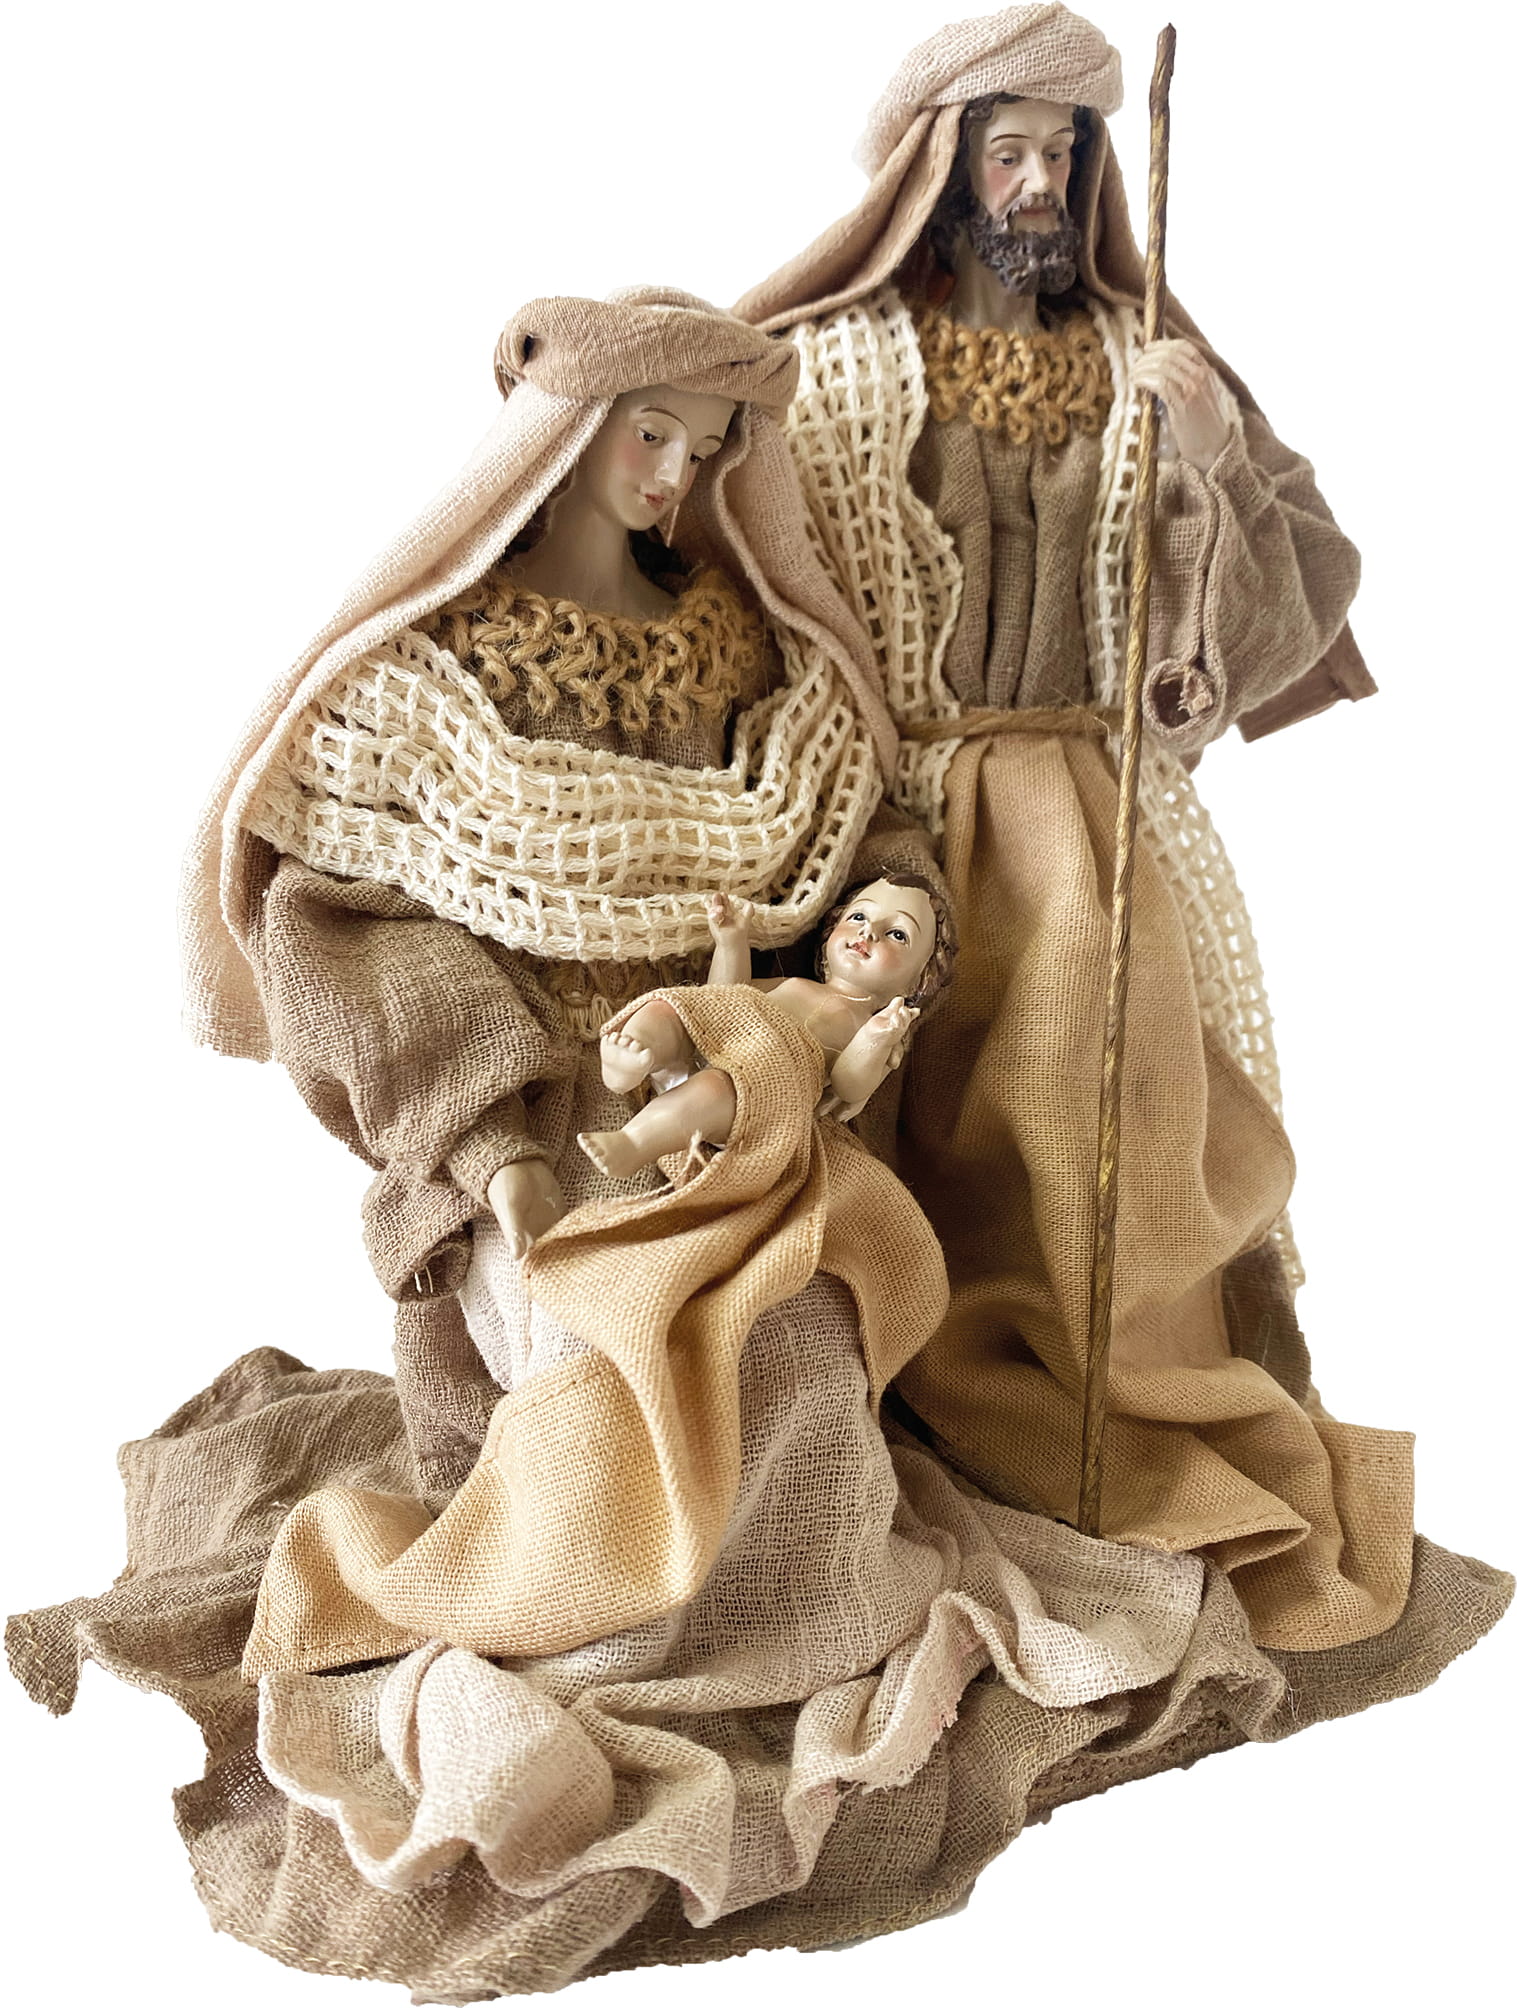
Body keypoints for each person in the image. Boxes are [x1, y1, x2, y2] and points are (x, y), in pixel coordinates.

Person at [12, 287, 1273, 1996]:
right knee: (604, 1366)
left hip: (743, 1126)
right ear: (554, 439)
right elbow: (346, 932)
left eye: (706, 444)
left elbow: (855, 830)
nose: (675, 475)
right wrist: (498, 1149)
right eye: (646, 436)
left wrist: (883, 923)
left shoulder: (746, 649)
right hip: (530, 1135)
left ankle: (761, 1655)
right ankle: (539, 1661)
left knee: (804, 1349)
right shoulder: (428, 681)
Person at [734, 4, 1509, 1659]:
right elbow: (745, 567)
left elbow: (1296, 592)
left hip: (1094, 817)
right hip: (893, 809)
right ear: (935, 173)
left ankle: (1111, 1422)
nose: (1036, 183)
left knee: (1120, 1119)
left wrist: (1209, 469)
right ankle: (886, 1440)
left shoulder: (1137, 352)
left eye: (1062, 153)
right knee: (893, 1124)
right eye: (1005, 152)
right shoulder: (836, 361)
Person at [579, 872, 953, 1178]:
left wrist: (876, 1038)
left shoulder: (871, 1027)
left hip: (753, 1091)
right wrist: (731, 944)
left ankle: (634, 1143)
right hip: (711, 1044)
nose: (868, 932)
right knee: (668, 1009)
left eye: (897, 934)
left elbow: (847, 1085)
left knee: (712, 1088)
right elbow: (725, 998)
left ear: (916, 983)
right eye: (858, 917)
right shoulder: (795, 985)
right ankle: (628, 1062)